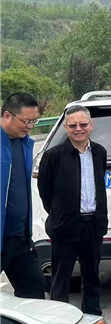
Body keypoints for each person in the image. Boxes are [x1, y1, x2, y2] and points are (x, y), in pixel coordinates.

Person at [38, 105, 111, 324]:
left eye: (83, 124)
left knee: (92, 277)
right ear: (66, 127)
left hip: (93, 225)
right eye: (73, 125)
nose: (78, 129)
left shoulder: (99, 152)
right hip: (65, 227)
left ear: (91, 126)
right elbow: (45, 192)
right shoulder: (54, 155)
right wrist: (61, 214)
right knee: (61, 280)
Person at [0, 93, 45, 300]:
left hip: (20, 238)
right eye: (26, 121)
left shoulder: (25, 143)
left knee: (34, 296)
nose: (30, 126)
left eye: (34, 121)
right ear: (7, 116)